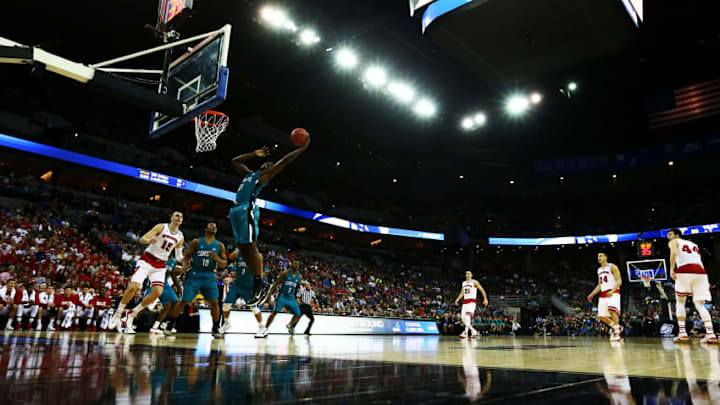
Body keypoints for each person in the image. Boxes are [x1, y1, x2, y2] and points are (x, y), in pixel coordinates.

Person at [229, 137, 310, 307]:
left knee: (250, 246)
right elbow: (234, 160)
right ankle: (258, 284)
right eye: (267, 163)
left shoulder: (263, 178)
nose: (269, 165)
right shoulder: (249, 174)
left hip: (246, 210)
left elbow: (286, 160)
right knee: (243, 247)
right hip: (235, 211)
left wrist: (303, 148)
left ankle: (259, 284)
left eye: (271, 167)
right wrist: (254, 153)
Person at [109, 211, 184, 334]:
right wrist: (149, 240)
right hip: (147, 260)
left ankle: (132, 313)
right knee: (134, 287)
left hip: (160, 265)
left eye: (181, 217)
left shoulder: (180, 237)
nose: (179, 218)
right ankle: (118, 314)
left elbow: (179, 256)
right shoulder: (161, 227)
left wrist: (187, 261)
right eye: (177, 215)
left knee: (157, 292)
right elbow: (143, 239)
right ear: (171, 218)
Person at [167, 223, 227, 338]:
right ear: (206, 229)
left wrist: (217, 258)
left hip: (209, 276)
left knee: (214, 302)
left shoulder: (220, 245)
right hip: (195, 274)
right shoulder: (197, 242)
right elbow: (186, 256)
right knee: (184, 301)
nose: (214, 227)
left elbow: (224, 264)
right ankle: (171, 324)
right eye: (211, 226)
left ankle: (215, 327)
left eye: (215, 226)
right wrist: (184, 266)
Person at [667, 228, 717, 344]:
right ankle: (711, 334)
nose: (668, 237)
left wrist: (671, 269)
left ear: (676, 235)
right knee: (700, 304)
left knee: (680, 302)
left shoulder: (674, 242)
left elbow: (674, 253)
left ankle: (683, 333)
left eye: (670, 234)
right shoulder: (693, 244)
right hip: (701, 272)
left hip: (685, 270)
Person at [220, 250, 265, 337]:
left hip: (250, 285)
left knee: (253, 308)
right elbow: (226, 264)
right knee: (226, 305)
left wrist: (258, 288)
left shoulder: (257, 256)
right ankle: (226, 323)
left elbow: (260, 274)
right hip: (237, 284)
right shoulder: (236, 253)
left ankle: (262, 327)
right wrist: (230, 278)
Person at [587, 253, 624, 342]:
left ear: (606, 257)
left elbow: (619, 281)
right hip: (603, 293)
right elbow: (600, 285)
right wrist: (592, 294)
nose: (599, 257)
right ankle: (616, 327)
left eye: (601, 256)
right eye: (598, 256)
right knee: (601, 316)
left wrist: (612, 291)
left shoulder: (612, 266)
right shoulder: (599, 270)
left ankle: (617, 334)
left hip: (613, 291)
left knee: (612, 311)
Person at [262, 260, 303, 337]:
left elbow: (297, 288)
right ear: (291, 265)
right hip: (282, 296)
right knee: (275, 312)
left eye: (298, 264)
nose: (297, 265)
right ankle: (265, 328)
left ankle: (290, 325)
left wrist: (297, 297)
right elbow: (276, 283)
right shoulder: (286, 273)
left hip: (291, 297)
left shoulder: (300, 276)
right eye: (295, 263)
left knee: (298, 314)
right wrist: (269, 294)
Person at [145, 258, 182, 336]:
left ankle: (158, 326)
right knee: (145, 306)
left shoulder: (173, 261)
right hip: (155, 282)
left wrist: (178, 286)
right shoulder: (160, 257)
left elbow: (172, 274)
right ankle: (127, 319)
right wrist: (171, 271)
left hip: (165, 284)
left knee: (174, 301)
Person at [454, 271, 488, 338]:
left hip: (471, 302)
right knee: (463, 318)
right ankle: (473, 331)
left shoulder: (474, 282)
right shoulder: (463, 283)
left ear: (472, 275)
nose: (467, 274)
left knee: (467, 317)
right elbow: (462, 293)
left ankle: (465, 333)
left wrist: (485, 299)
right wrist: (457, 299)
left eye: (469, 273)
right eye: (466, 273)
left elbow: (482, 289)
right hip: (465, 302)